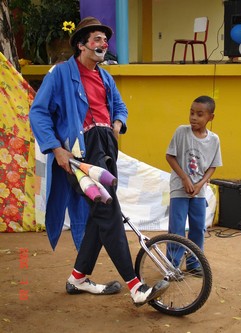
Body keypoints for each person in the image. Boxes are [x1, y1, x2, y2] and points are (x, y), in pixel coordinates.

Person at [29, 16, 169, 306]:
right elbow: (38, 112)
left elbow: (119, 105)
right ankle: (135, 285)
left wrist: (116, 124)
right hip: (80, 153)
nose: (103, 44)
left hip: (105, 146)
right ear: (81, 44)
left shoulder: (105, 76)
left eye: (105, 40)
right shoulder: (60, 74)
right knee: (107, 209)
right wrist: (56, 149)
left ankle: (78, 278)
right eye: (97, 39)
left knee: (99, 213)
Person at [166, 95, 222, 276]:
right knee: (177, 227)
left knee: (198, 227)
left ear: (210, 117)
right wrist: (184, 179)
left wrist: (200, 185)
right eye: (191, 113)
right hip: (179, 188)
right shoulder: (181, 132)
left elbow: (213, 166)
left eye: (199, 114)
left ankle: (193, 263)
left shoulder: (214, 140)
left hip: (198, 192)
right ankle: (172, 265)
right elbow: (170, 156)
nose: (193, 118)